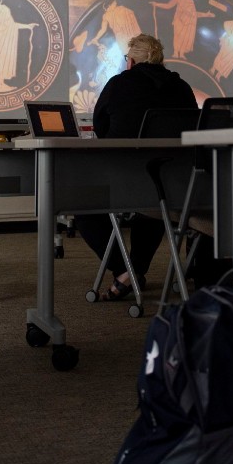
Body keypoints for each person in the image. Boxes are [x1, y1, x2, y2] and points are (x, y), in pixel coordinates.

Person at [73, 33, 197, 301]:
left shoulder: (119, 84)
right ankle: (133, 270)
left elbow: (100, 127)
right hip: (176, 186)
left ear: (131, 62)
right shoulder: (183, 88)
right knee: (152, 209)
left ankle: (125, 271)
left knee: (81, 208)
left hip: (125, 180)